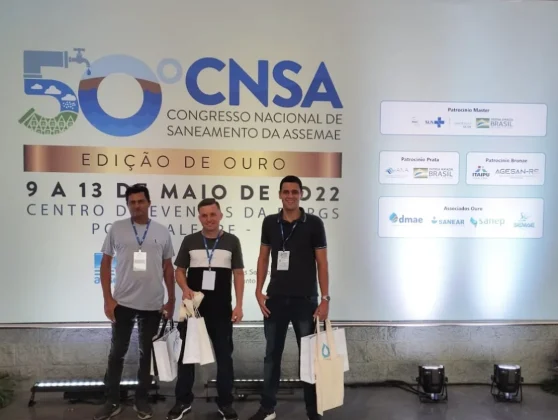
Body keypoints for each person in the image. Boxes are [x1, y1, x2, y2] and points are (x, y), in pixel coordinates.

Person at [249, 175, 330, 420]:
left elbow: (322, 263)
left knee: (309, 357)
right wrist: (258, 290)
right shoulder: (270, 223)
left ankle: (313, 411)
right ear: (280, 195)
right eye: (286, 192)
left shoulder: (314, 223)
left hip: (305, 301)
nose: (290, 196)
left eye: (295, 192)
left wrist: (325, 298)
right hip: (275, 300)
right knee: (272, 356)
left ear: (301, 194)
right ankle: (267, 408)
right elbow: (263, 257)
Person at [93, 184, 175, 420]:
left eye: (141, 201)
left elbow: (168, 267)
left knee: (146, 354)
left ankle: (142, 400)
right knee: (117, 353)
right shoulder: (117, 228)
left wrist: (171, 299)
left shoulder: (162, 231)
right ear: (127, 205)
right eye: (132, 202)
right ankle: (112, 401)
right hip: (123, 302)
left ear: (149, 203)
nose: (137, 206)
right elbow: (105, 263)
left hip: (152, 303)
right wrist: (108, 299)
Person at [167, 198, 245, 420]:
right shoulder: (190, 240)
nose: (209, 219)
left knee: (224, 357)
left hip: (221, 309)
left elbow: (239, 273)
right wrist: (184, 288)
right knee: (186, 356)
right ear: (199, 217)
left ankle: (225, 404)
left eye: (213, 214)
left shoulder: (232, 241)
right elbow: (179, 270)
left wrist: (239, 305)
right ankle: (183, 401)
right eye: (204, 215)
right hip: (193, 308)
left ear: (220, 215)